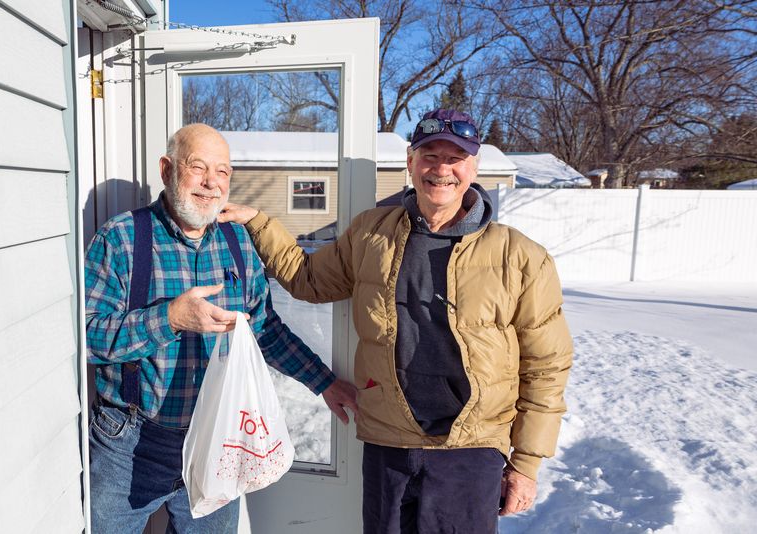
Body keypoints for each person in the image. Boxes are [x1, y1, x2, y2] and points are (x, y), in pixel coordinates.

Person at [219, 109, 573, 533]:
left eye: (455, 157)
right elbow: (308, 280)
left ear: (474, 167)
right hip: (390, 441)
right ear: (410, 162)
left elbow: (547, 366)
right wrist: (258, 223)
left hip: (471, 448)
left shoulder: (520, 256)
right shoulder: (372, 233)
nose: (441, 169)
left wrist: (527, 464)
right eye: (429, 155)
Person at [84, 123, 357, 533]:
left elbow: (265, 330)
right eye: (198, 167)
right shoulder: (123, 238)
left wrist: (325, 383)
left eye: (223, 172)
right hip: (131, 444)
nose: (212, 183)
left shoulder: (238, 242)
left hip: (219, 440)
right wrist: (171, 318)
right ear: (166, 169)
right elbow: (87, 338)